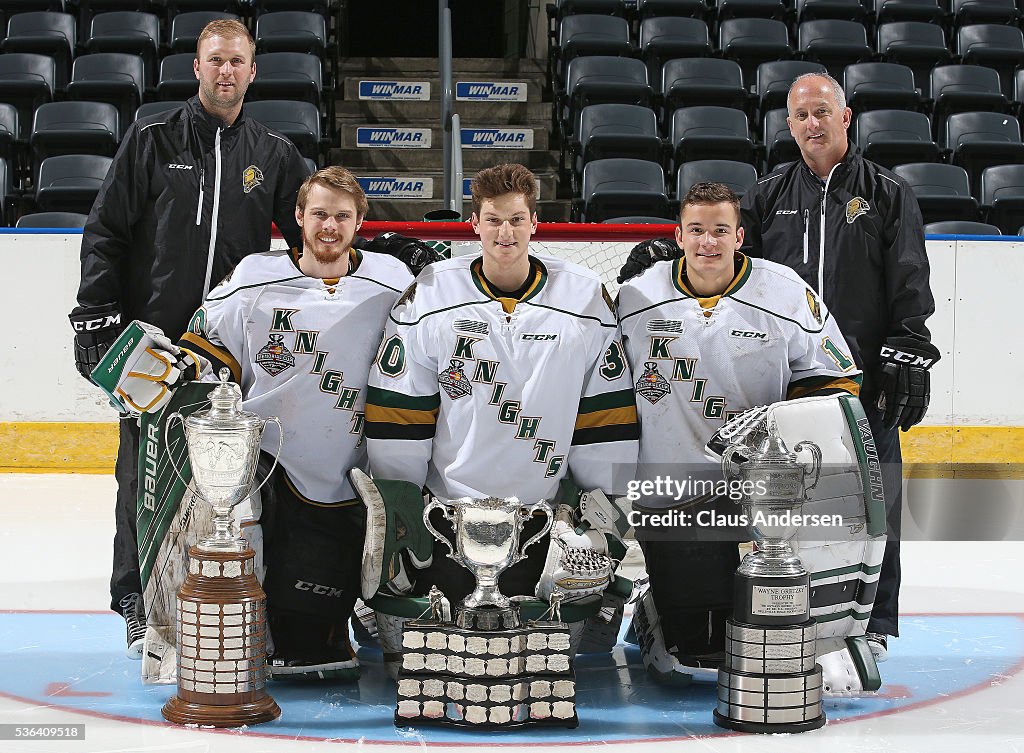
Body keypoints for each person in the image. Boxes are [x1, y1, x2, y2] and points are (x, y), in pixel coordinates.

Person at [617, 73, 940, 662]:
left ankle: (872, 625)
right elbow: (735, 268)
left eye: (822, 112)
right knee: (789, 505)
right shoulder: (769, 193)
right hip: (783, 377)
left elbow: (909, 279)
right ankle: (780, 615)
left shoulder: (889, 193)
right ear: (787, 126)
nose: (811, 125)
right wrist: (671, 260)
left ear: (846, 117)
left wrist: (909, 344)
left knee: (869, 497)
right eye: (799, 116)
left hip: (861, 373)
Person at [93, 166, 414, 680]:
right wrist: (171, 368)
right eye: (319, 215)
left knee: (335, 622)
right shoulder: (253, 277)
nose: (329, 227)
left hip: (357, 468)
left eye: (342, 216)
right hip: (270, 465)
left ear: (360, 222)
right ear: (298, 217)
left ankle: (365, 613)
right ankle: (222, 644)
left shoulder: (391, 280)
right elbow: (210, 347)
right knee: (249, 573)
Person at [68, 19, 312, 658]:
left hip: (231, 352)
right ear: (196, 68)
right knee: (142, 475)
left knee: (230, 482)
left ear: (252, 72)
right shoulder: (152, 141)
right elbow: (107, 232)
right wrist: (95, 313)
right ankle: (135, 601)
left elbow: (316, 238)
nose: (226, 72)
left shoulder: (275, 155)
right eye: (215, 61)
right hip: (151, 346)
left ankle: (231, 597)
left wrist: (375, 254)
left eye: (237, 62)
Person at [617, 181, 866, 684]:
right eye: (697, 231)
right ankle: (657, 605)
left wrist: (785, 437)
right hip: (670, 486)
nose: (708, 242)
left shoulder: (786, 291)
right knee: (696, 647)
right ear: (679, 235)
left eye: (720, 230)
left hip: (759, 487)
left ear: (739, 235)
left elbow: (838, 381)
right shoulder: (636, 297)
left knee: (765, 615)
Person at [363, 163, 639, 605]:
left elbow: (604, 414)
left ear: (535, 223)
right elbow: (402, 409)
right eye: (493, 220)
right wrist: (402, 504)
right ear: (474, 224)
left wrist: (603, 507)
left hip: (544, 517)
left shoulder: (583, 296)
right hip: (446, 516)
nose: (504, 232)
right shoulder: (432, 293)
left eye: (516, 219)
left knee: (550, 642)